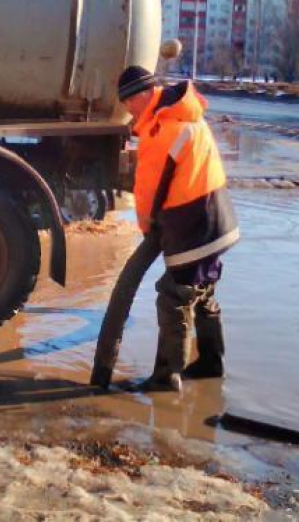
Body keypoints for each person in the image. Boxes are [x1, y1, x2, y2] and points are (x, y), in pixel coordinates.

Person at [90, 66, 239, 392]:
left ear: (143, 95)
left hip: (193, 224)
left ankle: (167, 376)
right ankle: (212, 364)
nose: (128, 108)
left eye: (129, 101)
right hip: (215, 219)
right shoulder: (182, 114)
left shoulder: (163, 129)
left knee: (173, 296)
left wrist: (147, 226)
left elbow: (149, 187)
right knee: (202, 290)